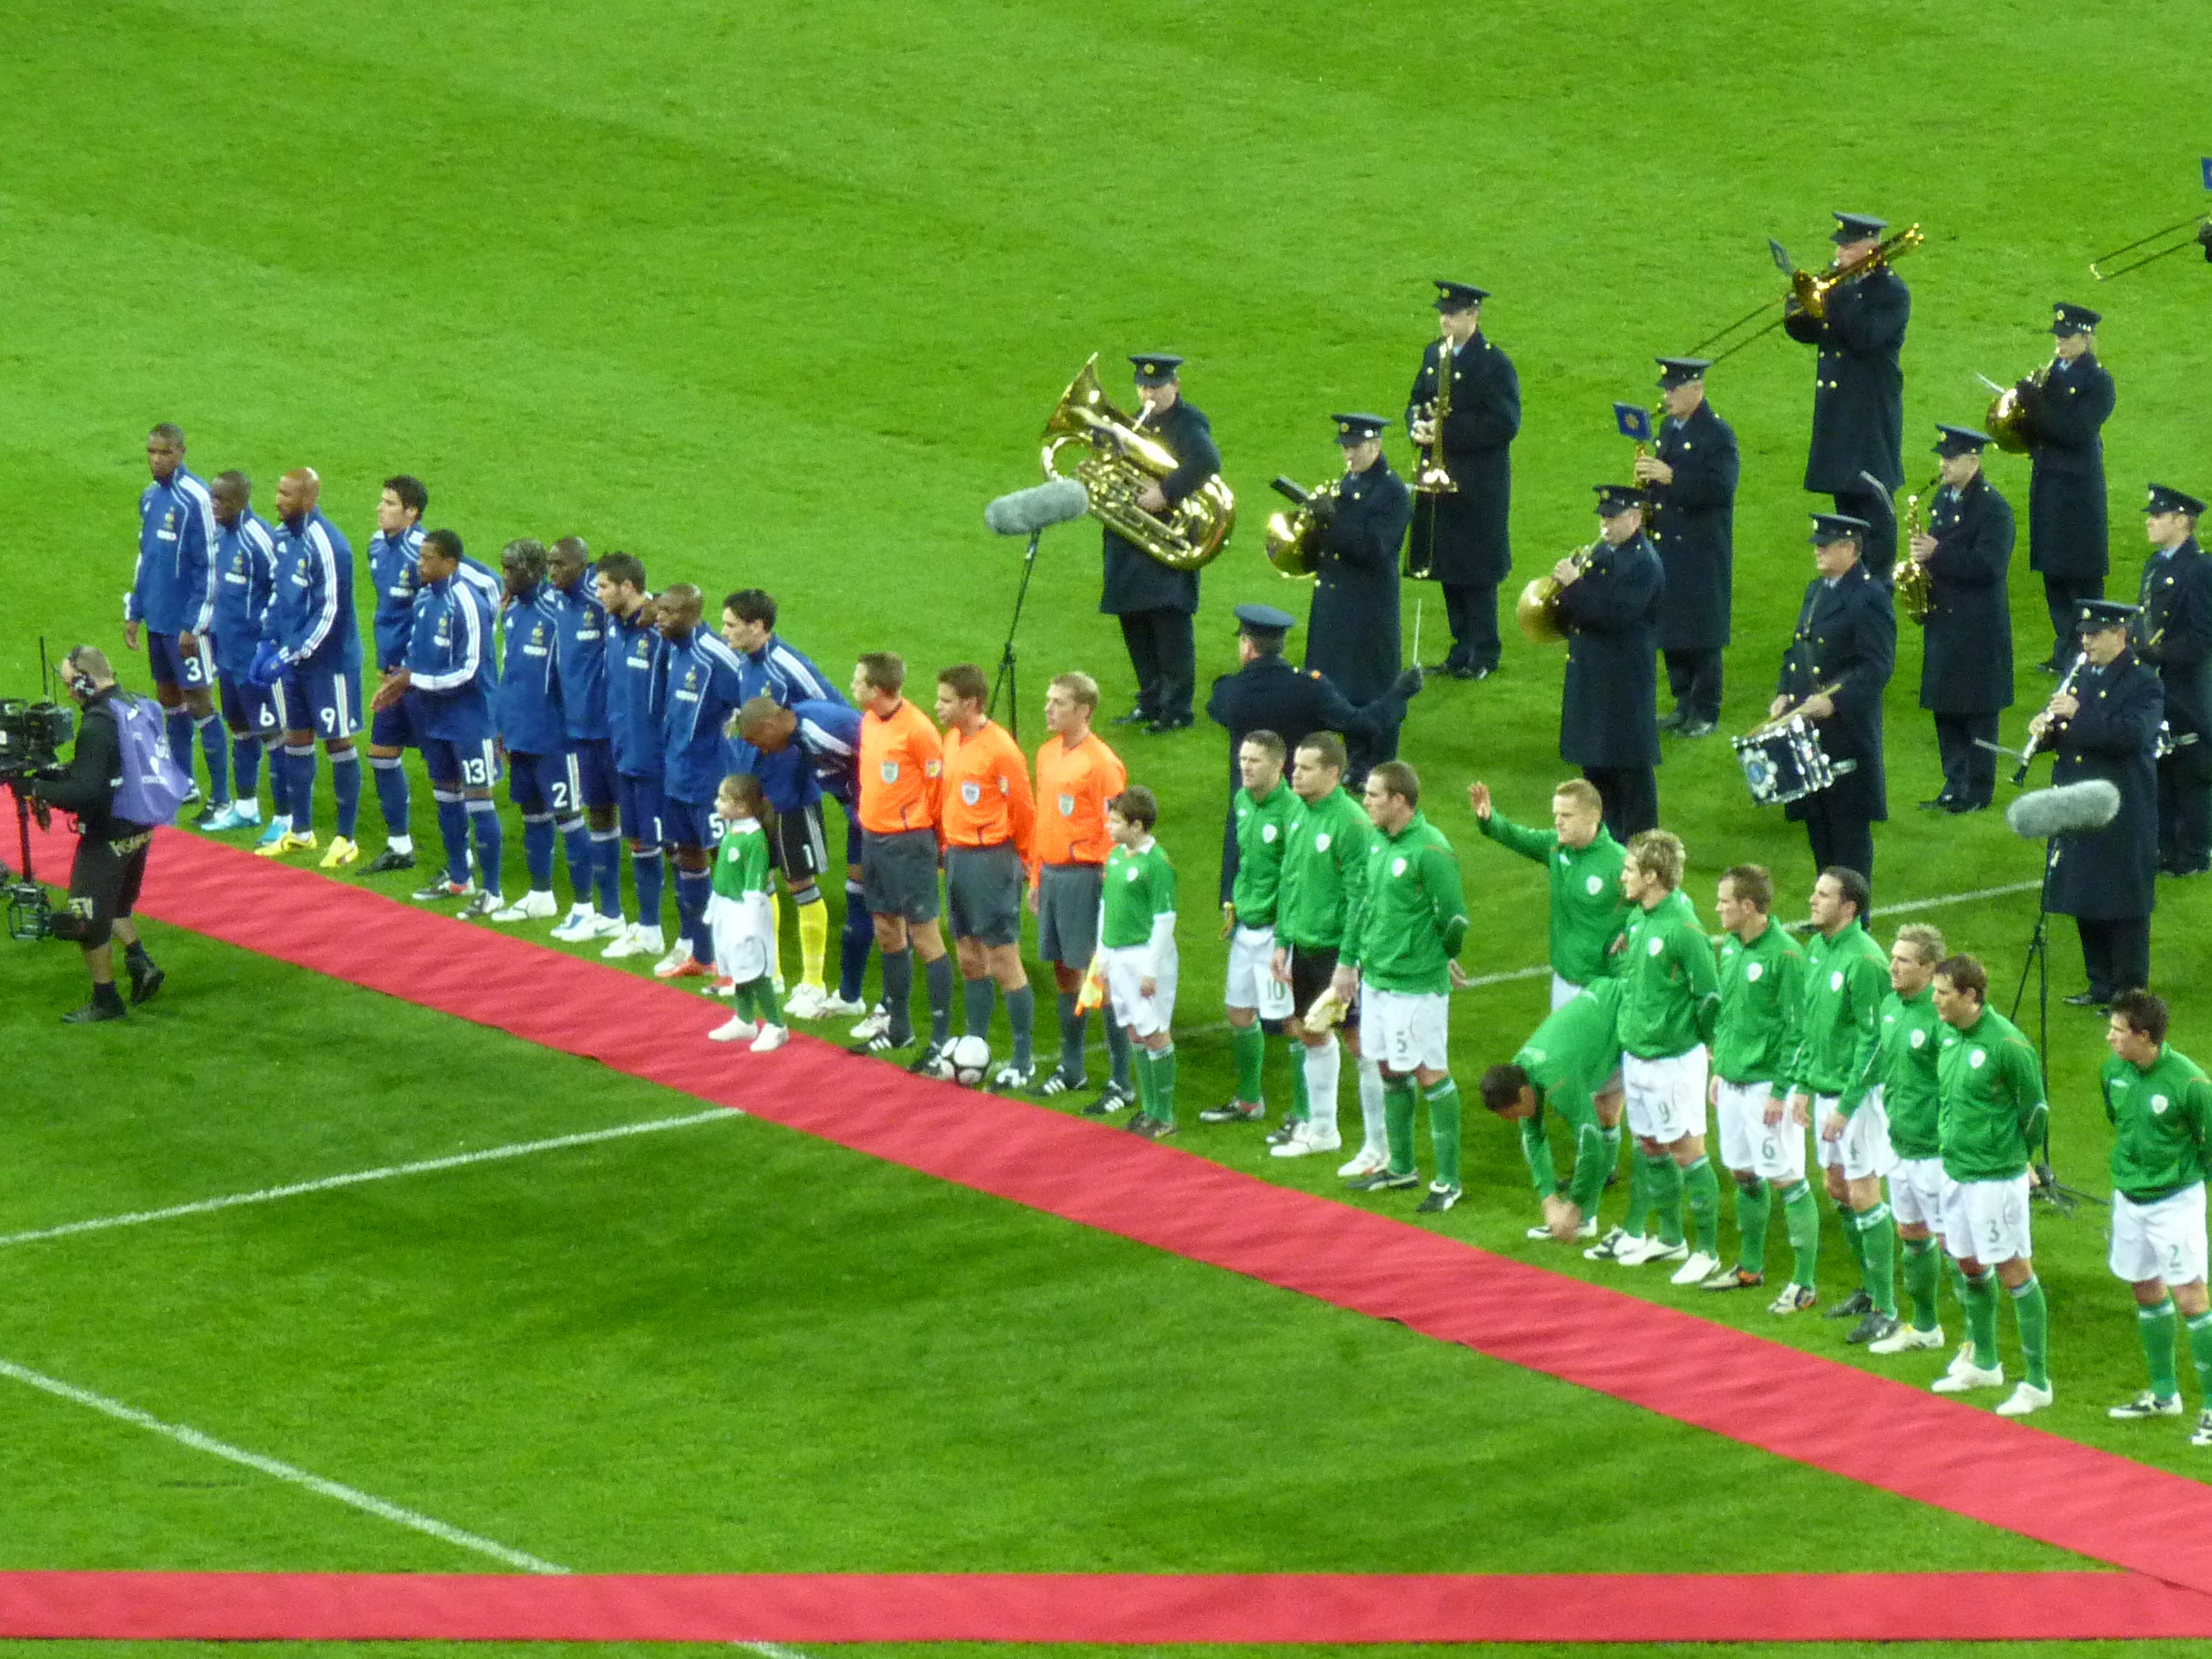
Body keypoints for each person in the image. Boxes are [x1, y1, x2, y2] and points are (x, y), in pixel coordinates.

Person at [1205, 602, 1419, 884]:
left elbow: (1215, 709)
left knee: (1244, 883)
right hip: (1300, 808)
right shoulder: (1309, 688)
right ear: (1279, 645)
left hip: (1250, 806)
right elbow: (1362, 724)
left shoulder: (1229, 692)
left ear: (1248, 647)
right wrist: (1399, 693)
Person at [1338, 761, 1471, 1210]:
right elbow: (1361, 906)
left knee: (1430, 1073)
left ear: (1399, 800)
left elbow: (1455, 918)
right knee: (1390, 1069)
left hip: (1416, 984)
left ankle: (1449, 1181)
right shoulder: (1376, 842)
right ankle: (1401, 1168)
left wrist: (1442, 956)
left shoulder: (1431, 849)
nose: (1366, 801)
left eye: (1374, 795)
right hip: (1377, 977)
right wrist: (1348, 961)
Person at [1592, 831, 1720, 1277]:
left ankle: (1707, 1251)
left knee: (1687, 1151)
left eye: (1629, 870)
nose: (1621, 876)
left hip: (1673, 1059)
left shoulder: (1683, 929)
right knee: (1650, 1146)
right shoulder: (1638, 920)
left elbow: (1709, 998)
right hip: (1638, 1054)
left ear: (1651, 876)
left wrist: (1700, 1044)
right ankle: (1669, 1240)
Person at [1929, 954, 2052, 1417]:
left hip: (1996, 1179)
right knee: (1967, 1262)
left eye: (1943, 993)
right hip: (1956, 1170)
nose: (1936, 1000)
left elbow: (2036, 1110)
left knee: (2014, 1269)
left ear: (1970, 996)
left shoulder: (2007, 1044)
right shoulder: (1947, 1035)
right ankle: (1984, 1363)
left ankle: (2038, 1382)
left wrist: (2021, 1158)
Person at [29, 647, 166, 1022]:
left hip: (108, 833)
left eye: (71, 686)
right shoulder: (139, 704)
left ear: (86, 682)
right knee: (116, 903)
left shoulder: (97, 724)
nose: (70, 694)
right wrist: (68, 771)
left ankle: (106, 1000)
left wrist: (40, 790)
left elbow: (85, 793)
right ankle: (140, 960)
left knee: (85, 919)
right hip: (140, 827)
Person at [2099, 990, 2212, 1442]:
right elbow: (2119, 1122)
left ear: (2144, 1036)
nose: (2109, 1037)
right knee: (2145, 1288)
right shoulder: (2113, 1071)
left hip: (2176, 1202)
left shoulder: (2190, 1084)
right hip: (2129, 1198)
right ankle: (2165, 1396)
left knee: (2191, 1299)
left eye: (2117, 1030)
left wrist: (2181, 1179)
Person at [2038, 600, 2163, 1007]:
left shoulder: (2144, 681)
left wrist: (2078, 713)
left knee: (2122, 900)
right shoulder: (2081, 675)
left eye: (2094, 634)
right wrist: (2045, 732)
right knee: (2084, 891)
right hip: (2078, 802)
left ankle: (2128, 991)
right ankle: (2099, 984)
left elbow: (2132, 735)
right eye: (2084, 634)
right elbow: (2069, 733)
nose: (2086, 641)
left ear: (2120, 635)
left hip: (2121, 807)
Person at [1778, 866, 1889, 1322]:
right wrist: (1802, 1085)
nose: (1811, 900)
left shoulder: (1864, 961)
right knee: (1837, 1187)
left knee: (1863, 1192)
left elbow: (1875, 1041)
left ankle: (1884, 1304)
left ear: (1849, 908)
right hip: (1823, 1088)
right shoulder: (1817, 949)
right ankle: (1868, 1287)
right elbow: (1809, 1026)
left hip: (1856, 1095)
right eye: (1814, 891)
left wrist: (1845, 1106)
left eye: (1823, 895)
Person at [378, 530, 504, 918]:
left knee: (479, 802)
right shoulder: (422, 600)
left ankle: (494, 891)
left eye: (428, 558)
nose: (420, 565)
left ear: (450, 562)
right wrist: (402, 680)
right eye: (419, 557)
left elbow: (469, 669)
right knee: (446, 796)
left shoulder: (467, 601)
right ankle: (459, 878)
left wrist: (413, 681)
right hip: (436, 719)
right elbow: (419, 655)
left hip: (471, 720)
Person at [1783, 212, 1909, 581]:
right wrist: (1799, 309)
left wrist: (1835, 295)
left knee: (1874, 506)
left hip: (1868, 415)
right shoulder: (1841, 283)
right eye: (1839, 245)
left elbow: (1866, 337)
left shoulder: (1891, 293)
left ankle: (1878, 581)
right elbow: (1815, 334)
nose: (1839, 252)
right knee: (1845, 507)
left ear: (1871, 248)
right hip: (1838, 414)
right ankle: (1849, 578)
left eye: (1848, 246)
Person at [1270, 733, 1376, 1166]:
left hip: (1337, 950)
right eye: (1295, 765)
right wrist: (1282, 941)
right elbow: (1290, 880)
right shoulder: (1300, 813)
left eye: (1306, 767)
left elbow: (1361, 898)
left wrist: (1348, 963)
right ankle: (1323, 1129)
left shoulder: (1351, 823)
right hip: (1304, 945)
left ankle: (1378, 1144)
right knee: (1311, 1032)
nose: (1295, 773)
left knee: (1359, 1041)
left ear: (1334, 773)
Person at [1771, 513, 1895, 887]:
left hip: (1845, 733)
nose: (1818, 551)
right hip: (1809, 730)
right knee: (1819, 825)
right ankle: (1827, 906)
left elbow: (1876, 667)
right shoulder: (1818, 589)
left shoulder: (1870, 597)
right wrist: (1783, 693)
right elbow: (1798, 649)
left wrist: (1834, 703)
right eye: (1818, 545)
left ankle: (1855, 917)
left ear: (1850, 549)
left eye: (1826, 545)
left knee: (1848, 834)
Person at [1027, 671, 1133, 1109]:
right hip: (1052, 874)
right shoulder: (1047, 753)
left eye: (1059, 703)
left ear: (1084, 710)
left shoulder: (1102, 764)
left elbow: (1118, 829)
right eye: (1049, 700)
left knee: (1100, 975)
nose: (1049, 709)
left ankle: (1122, 1082)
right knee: (1063, 970)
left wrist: (1111, 887)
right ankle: (1072, 1069)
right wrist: (1035, 878)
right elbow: (1042, 820)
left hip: (1086, 876)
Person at [1702, 864, 1809, 1294]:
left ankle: (1804, 1283)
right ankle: (1750, 1268)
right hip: (1731, 1082)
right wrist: (1719, 1069)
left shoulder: (1785, 957)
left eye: (1725, 902)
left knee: (1788, 1180)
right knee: (1743, 1173)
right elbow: (1728, 1014)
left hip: (1767, 1087)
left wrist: (1783, 1091)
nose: (1718, 908)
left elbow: (1798, 1031)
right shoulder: (1730, 948)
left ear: (1749, 906)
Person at [1405, 279, 1520, 679]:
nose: (1445, 320)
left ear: (1474, 315)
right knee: (1447, 564)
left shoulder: (1494, 365)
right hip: (1439, 481)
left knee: (1477, 570)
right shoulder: (1433, 354)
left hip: (1477, 487)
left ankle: (1484, 652)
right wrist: (1417, 427)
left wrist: (1444, 432)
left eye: (1453, 314)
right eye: (1442, 313)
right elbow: (1417, 401)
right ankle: (1460, 648)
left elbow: (1505, 424)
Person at [1102, 353, 1219, 734]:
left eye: (1156, 386)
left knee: (1169, 626)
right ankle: (1150, 702)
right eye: (1143, 387)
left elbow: (1206, 460)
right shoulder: (1137, 422)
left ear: (1175, 386)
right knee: (1134, 621)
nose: (1149, 394)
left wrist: (1166, 492)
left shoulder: (1188, 422)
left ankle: (1177, 710)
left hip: (1167, 540)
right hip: (1131, 540)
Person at [253, 468, 365, 867]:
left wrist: (289, 654)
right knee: (295, 738)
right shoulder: (283, 538)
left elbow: (330, 612)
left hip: (330, 663)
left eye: (286, 494)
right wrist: (267, 640)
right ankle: (301, 832)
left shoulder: (330, 546)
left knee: (338, 741)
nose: (277, 500)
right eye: (278, 491)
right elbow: (279, 596)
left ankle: (346, 838)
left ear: (310, 499)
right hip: (294, 659)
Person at [849, 651, 953, 1066]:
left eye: (858, 681)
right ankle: (899, 1028)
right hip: (874, 838)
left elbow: (938, 788)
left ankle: (941, 1039)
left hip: (909, 844)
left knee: (925, 936)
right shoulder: (870, 720)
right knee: (888, 931)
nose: (852, 685)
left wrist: (930, 836)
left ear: (876, 689)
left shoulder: (919, 731)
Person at [936, 663, 1038, 1086]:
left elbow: (1025, 813)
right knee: (968, 955)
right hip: (958, 856)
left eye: (945, 700)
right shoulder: (953, 739)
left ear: (970, 703)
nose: (938, 707)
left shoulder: (1002, 750)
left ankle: (1023, 1057)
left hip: (992, 859)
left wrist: (1030, 865)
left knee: (1002, 957)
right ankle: (975, 1040)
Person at [741, 695, 873, 1019]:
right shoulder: (793, 732)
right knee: (858, 897)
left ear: (770, 725)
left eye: (759, 741)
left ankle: (815, 983)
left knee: (879, 906)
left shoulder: (822, 727)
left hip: (871, 818)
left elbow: (877, 757)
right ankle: (826, 989)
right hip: (856, 815)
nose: (761, 749)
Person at [1852, 924, 1950, 1354]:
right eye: (1893, 957)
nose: (1892, 965)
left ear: (1929, 970)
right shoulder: (1891, 1006)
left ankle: (1979, 1349)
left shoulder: (1941, 1019)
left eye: (1904, 960)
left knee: (1956, 1248)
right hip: (1900, 1143)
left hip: (1937, 1151)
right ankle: (1925, 1328)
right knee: (1911, 1234)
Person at [1905, 425, 2014, 813]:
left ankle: (1977, 792)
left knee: (1977, 711)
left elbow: (1989, 567)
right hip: (1943, 619)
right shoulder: (1943, 499)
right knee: (1946, 707)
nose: (1944, 464)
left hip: (1978, 626)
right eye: (1943, 457)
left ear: (1974, 460)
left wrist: (1935, 553)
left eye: (1952, 459)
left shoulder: (1993, 509)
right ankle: (1953, 786)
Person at [488, 539, 594, 926]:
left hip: (555, 737)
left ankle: (584, 906)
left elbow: (575, 677)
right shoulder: (513, 610)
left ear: (534, 571)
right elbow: (509, 671)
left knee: (569, 817)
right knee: (533, 814)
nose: (506, 576)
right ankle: (540, 895)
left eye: (513, 569)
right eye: (504, 568)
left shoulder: (558, 613)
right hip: (520, 732)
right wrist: (502, 725)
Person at [121, 423, 222, 817]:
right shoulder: (149, 497)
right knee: (169, 700)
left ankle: (224, 795)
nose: (156, 459)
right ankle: (185, 781)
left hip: (186, 627)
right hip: (158, 621)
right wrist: (135, 611)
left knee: (199, 701)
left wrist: (195, 624)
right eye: (151, 452)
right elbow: (146, 557)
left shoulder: (196, 498)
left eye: (164, 452)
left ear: (182, 452)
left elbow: (209, 566)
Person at [1306, 413, 1414, 774]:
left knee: (1371, 686)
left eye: (1355, 447)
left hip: (1368, 611)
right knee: (1341, 689)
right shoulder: (1349, 482)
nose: (1348, 455)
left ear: (1376, 445)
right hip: (1337, 605)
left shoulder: (1392, 493)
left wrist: (1330, 522)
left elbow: (1374, 549)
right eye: (1345, 448)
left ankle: (1377, 765)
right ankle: (1354, 762)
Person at [654, 583, 752, 979]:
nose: (660, 619)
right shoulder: (672, 650)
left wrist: (735, 730)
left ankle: (738, 964)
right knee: (687, 860)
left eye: (670, 612)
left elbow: (754, 703)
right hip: (677, 776)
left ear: (693, 614)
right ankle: (702, 953)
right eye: (659, 610)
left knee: (727, 868)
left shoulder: (716, 656)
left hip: (712, 784)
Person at [1201, 729, 1297, 1128]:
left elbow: (1296, 880)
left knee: (1291, 1021)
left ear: (1278, 766)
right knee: (1239, 1011)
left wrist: (1286, 934)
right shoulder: (1242, 800)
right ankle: (1249, 1100)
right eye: (1242, 759)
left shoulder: (1293, 813)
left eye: (1254, 761)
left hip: (1277, 931)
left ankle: (1305, 1113)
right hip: (1246, 925)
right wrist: (1234, 904)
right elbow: (1241, 860)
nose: (1245, 766)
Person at [1484, 976, 1625, 1243]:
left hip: (1624, 1015)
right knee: (1606, 1113)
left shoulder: (1559, 1082)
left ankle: (1633, 1230)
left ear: (1523, 1095)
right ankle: (1587, 1220)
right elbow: (1533, 1137)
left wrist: (1571, 1207)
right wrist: (1549, 1201)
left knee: (1637, 1131)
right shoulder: (1518, 1071)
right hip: (1599, 1028)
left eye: (1514, 1115)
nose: (1517, 1121)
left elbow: (1590, 1145)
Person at [1556, 484, 1663, 839]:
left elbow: (1613, 615)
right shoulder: (1604, 551)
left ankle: (1641, 844)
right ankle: (1604, 838)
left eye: (1612, 518)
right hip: (1594, 674)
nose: (1605, 525)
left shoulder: (1644, 564)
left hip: (1623, 680)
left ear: (1635, 518)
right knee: (1597, 763)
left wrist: (1573, 586)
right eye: (1603, 517)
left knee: (1629, 768)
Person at [1641, 358, 1738, 737]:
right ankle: (1682, 702)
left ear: (1696, 390)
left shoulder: (1717, 435)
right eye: (1666, 390)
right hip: (1666, 543)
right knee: (1670, 626)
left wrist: (1671, 477)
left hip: (1700, 548)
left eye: (1674, 390)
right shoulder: (1667, 428)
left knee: (1701, 630)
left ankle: (1706, 710)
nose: (1667, 397)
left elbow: (1719, 489)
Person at [1467, 779, 1625, 1009]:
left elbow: (1667, 902)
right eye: (1556, 815)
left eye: (1567, 816)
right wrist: (1490, 819)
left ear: (1594, 816)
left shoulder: (1619, 863)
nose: (1558, 822)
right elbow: (1516, 836)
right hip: (1562, 980)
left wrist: (1633, 930)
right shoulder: (1556, 847)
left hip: (1602, 986)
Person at [2018, 302, 2116, 673]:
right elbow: (2041, 431)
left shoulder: (2098, 381)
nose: (2059, 343)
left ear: (2086, 339)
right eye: (2058, 337)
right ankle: (2066, 650)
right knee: (2054, 573)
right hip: (2048, 482)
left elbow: (2076, 432)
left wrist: (2036, 404)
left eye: (2067, 337)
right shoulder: (2052, 374)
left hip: (2077, 490)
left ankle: (2091, 651)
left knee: (2082, 576)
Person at [545, 537, 626, 944]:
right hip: (579, 730)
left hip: (612, 731)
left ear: (583, 566)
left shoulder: (600, 597)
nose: (552, 572)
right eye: (548, 565)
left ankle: (667, 930)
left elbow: (651, 603)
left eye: (559, 565)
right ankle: (609, 912)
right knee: (599, 816)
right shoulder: (557, 598)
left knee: (645, 829)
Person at [594, 553, 671, 963]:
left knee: (677, 847)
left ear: (628, 587)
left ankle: (697, 943)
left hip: (657, 758)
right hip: (624, 750)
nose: (598, 594)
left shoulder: (660, 630)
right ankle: (650, 929)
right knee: (640, 842)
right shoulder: (615, 624)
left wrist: (656, 603)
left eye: (604, 586)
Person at [2134, 484, 2212, 877]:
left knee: (2191, 770)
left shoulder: (2200, 570)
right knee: (2160, 768)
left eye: (2159, 515)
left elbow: (2200, 639)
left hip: (2189, 690)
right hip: (2158, 685)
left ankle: (2196, 852)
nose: (2149, 520)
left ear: (2183, 521)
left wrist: (2156, 654)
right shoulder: (2156, 564)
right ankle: (2165, 848)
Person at [1097, 785, 1182, 1135]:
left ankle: (1165, 1115)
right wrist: (1101, 955)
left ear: (1137, 825)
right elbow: (1106, 907)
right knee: (1134, 1029)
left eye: (1116, 821)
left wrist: (1150, 970)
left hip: (1145, 956)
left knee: (1154, 1031)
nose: (1109, 827)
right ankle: (1149, 1110)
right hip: (1117, 955)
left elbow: (1165, 919)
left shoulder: (1157, 864)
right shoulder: (1116, 857)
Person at [200, 471, 281, 833]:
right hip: (227, 653)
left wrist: (268, 642)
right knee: (240, 729)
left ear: (241, 501)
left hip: (254, 659)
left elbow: (282, 591)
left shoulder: (259, 539)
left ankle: (287, 818)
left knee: (273, 734)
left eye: (221, 500)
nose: (214, 505)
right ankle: (246, 807)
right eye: (212, 498)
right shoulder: (217, 533)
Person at [360, 475, 429, 873]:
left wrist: (417, 663)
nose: (380, 508)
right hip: (391, 675)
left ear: (412, 512)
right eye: (381, 501)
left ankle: (465, 863)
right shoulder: (376, 545)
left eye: (389, 503)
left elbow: (481, 583)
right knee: (382, 755)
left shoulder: (425, 551)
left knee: (446, 771)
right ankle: (400, 846)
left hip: (420, 680)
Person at [704, 772, 789, 1053]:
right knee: (737, 967)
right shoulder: (734, 831)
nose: (717, 803)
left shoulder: (755, 840)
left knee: (754, 970)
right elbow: (724, 876)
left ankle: (776, 1025)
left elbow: (754, 886)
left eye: (722, 798)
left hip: (746, 912)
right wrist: (712, 908)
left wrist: (750, 927)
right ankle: (744, 1019)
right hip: (727, 909)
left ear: (741, 806)